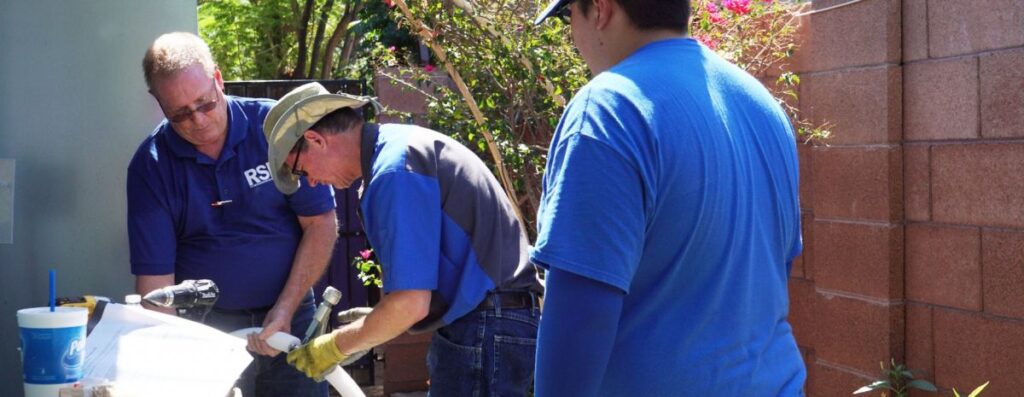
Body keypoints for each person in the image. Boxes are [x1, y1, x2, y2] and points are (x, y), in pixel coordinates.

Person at [530, 0, 806, 395]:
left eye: (568, 14)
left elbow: (581, 315)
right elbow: (775, 271)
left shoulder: (609, 109)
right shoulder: (762, 105)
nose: (572, 35)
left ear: (602, 10)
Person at [262, 82, 544, 396]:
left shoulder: (393, 172)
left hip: (484, 328)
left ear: (315, 140)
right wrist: (377, 323)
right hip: (497, 322)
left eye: (300, 170)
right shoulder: (399, 147)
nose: (311, 181)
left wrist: (335, 345)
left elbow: (410, 303)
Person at [127, 32, 337, 396]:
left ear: (219, 80)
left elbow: (320, 223)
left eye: (205, 103)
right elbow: (156, 289)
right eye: (179, 114)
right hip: (205, 330)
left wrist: (285, 310)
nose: (198, 120)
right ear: (158, 103)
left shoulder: (273, 129)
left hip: (291, 318)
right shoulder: (151, 166)